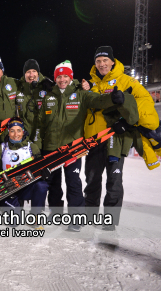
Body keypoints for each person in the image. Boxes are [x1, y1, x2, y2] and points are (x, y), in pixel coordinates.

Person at [37, 60, 131, 232]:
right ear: (55, 78)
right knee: (54, 184)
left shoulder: (80, 94)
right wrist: (39, 147)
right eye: (59, 76)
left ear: (70, 77)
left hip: (73, 148)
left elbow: (98, 100)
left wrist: (113, 98)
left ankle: (76, 218)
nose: (62, 79)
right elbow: (41, 124)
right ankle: (56, 213)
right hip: (51, 148)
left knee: (73, 183)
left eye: (66, 76)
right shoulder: (49, 96)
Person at [81, 46, 159, 230]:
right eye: (98, 61)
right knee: (92, 179)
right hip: (94, 139)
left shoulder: (126, 80)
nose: (102, 64)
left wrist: (127, 122)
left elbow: (144, 101)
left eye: (105, 60)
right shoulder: (89, 83)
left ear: (112, 62)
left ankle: (110, 221)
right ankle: (90, 217)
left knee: (114, 181)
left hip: (117, 138)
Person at [0, 117, 48, 229]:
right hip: (9, 189)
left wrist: (43, 172)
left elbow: (39, 168)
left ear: (23, 131)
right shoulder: (2, 148)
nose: (16, 134)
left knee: (41, 185)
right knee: (13, 223)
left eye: (19, 130)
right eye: (12, 131)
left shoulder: (32, 147)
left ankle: (35, 216)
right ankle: (13, 206)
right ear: (8, 132)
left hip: (26, 187)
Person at [15, 59, 54, 145]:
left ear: (38, 73)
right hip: (23, 134)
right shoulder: (18, 87)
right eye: (28, 72)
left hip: (41, 135)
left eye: (34, 71)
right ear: (24, 74)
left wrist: (54, 86)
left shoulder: (46, 86)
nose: (31, 75)